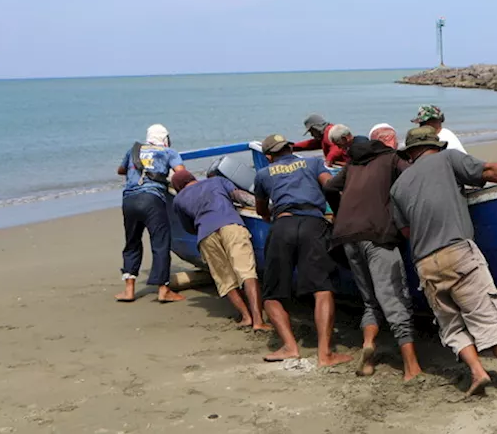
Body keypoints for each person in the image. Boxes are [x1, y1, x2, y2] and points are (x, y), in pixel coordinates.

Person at [389, 126, 497, 396]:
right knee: (490, 318)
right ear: (435, 145)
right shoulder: (448, 159)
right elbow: (489, 171)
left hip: (424, 262)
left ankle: (477, 371)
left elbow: (406, 232)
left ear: (410, 153)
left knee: (452, 325)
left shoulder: (397, 187)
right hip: (457, 251)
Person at [323, 137, 421, 380]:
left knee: (370, 301)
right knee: (395, 299)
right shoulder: (391, 158)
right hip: (377, 235)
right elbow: (413, 178)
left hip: (347, 237)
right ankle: (411, 367)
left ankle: (368, 344)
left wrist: (339, 211)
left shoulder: (352, 166)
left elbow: (329, 187)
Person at [252, 134, 353, 367]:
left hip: (283, 225)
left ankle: (289, 347)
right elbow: (330, 185)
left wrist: (274, 218)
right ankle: (325, 354)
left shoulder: (263, 174)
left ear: (268, 156)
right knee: (322, 288)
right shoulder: (313, 162)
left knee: (272, 293)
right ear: (290, 148)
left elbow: (260, 209)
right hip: (313, 224)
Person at [169, 169, 272, 332]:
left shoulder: (179, 199)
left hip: (205, 235)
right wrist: (268, 207)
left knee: (225, 280)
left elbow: (189, 228)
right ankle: (258, 320)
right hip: (230, 225)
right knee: (247, 272)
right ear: (194, 178)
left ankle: (246, 317)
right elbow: (239, 196)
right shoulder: (216, 181)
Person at [115, 124, 188, 303]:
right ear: (165, 139)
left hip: (129, 200)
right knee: (160, 243)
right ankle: (163, 289)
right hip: (152, 199)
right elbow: (181, 173)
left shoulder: (133, 150)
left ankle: (129, 290)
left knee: (132, 242)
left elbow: (120, 170)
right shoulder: (168, 152)